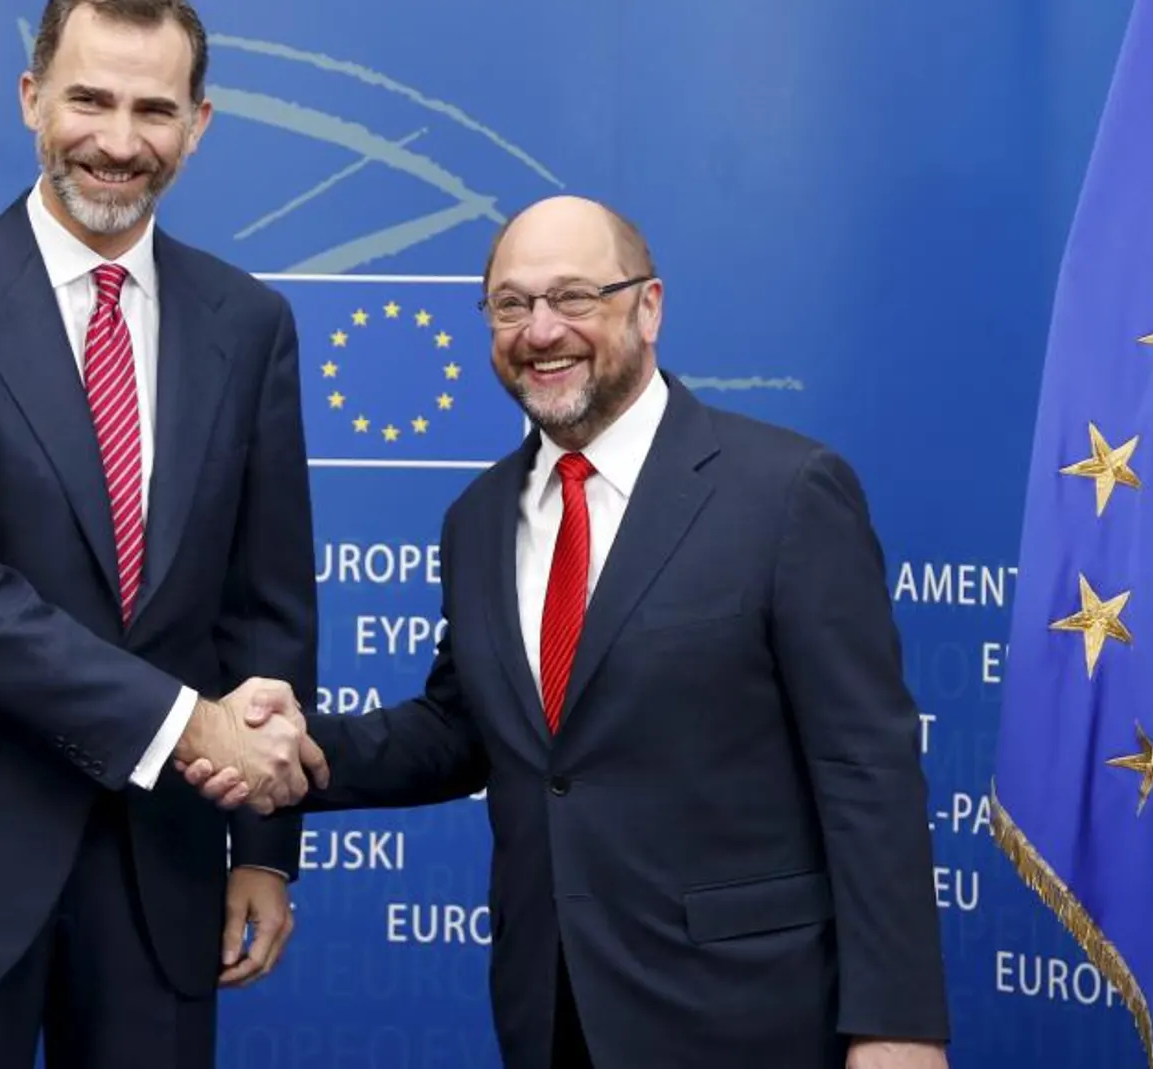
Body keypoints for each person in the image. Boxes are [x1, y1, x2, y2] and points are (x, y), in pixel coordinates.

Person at [185, 195, 951, 1068]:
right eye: (511, 305)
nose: (541, 330)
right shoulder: (478, 518)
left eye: (574, 297)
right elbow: (461, 728)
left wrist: (898, 1025)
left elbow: (869, 774)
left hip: (752, 1012)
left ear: (649, 306)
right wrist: (288, 753)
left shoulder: (786, 492)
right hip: (552, 1010)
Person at [0, 1, 329, 1066]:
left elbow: (265, 604)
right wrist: (189, 726)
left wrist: (265, 849)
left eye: (154, 109)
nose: (119, 141)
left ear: (200, 124)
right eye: (89, 98)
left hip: (163, 867)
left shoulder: (249, 323)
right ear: (31, 97)